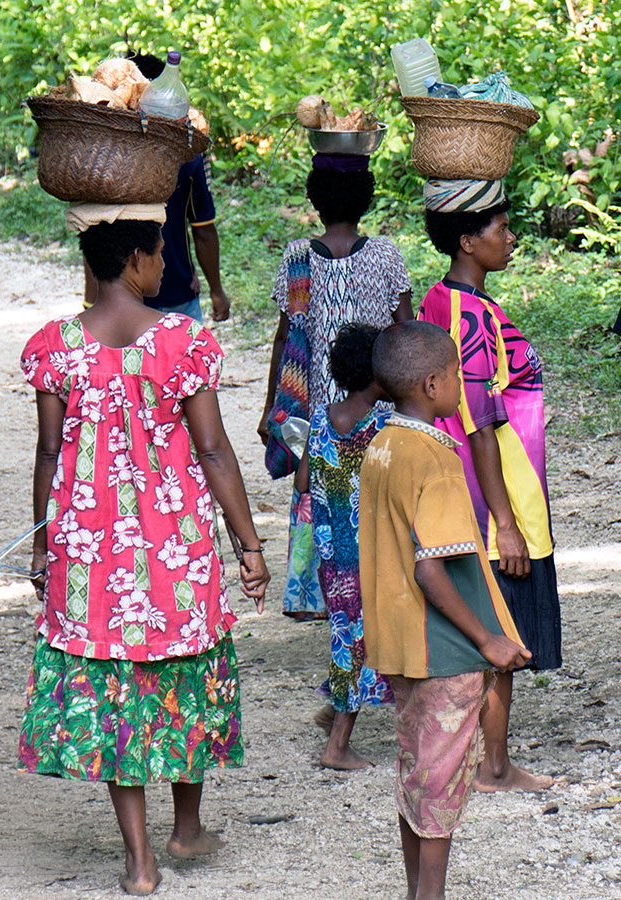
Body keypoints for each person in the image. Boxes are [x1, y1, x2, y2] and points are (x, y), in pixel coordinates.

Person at [18, 207, 269, 896]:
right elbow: (214, 450)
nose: (165, 266)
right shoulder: (183, 342)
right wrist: (248, 545)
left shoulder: (54, 346)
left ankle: (140, 861)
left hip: (90, 555)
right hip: (175, 552)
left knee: (113, 694)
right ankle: (186, 828)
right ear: (134, 259)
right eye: (160, 254)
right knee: (188, 677)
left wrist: (43, 551)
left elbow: (47, 454)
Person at [359, 320, 531, 900]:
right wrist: (488, 640)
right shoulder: (434, 459)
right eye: (457, 374)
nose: (461, 384)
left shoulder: (381, 443)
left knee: (417, 772)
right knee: (439, 782)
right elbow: (432, 567)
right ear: (433, 384)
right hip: (445, 649)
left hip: (400, 641)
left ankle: (415, 893)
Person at [418, 179, 561, 793]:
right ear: (468, 241)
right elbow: (477, 424)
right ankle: (493, 766)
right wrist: (504, 521)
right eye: (501, 230)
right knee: (501, 625)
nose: (511, 239)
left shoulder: (445, 301)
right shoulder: (468, 315)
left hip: (481, 487)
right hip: (493, 492)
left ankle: (486, 758)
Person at [258, 154, 413, 619]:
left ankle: (325, 593)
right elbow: (406, 331)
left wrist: (271, 407)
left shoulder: (299, 258)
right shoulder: (386, 255)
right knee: (379, 500)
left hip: (322, 413)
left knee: (323, 499)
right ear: (366, 199)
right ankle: (381, 591)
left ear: (314, 200)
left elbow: (288, 337)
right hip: (379, 407)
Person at [294, 324, 394, 769]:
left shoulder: (320, 418)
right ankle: (337, 745)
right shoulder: (383, 426)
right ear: (379, 374)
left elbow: (302, 485)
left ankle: (335, 712)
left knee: (345, 635)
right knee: (360, 641)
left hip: (331, 554)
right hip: (371, 554)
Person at [84, 52, 230, 323]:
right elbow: (204, 231)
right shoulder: (185, 156)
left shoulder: (104, 158)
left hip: (119, 302)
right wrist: (217, 291)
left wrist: (90, 301)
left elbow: (93, 233)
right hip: (177, 293)